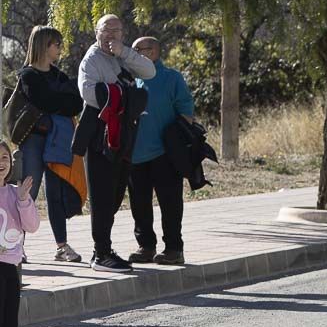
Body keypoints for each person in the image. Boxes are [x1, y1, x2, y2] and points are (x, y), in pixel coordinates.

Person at [75, 14, 155, 271]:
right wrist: (126, 95)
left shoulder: (122, 54)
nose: (110, 35)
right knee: (101, 196)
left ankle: (105, 248)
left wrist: (125, 53)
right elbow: (89, 93)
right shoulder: (91, 60)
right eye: (105, 30)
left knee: (116, 194)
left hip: (123, 134)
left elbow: (149, 70)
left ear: (123, 33)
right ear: (96, 32)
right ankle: (101, 254)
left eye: (116, 30)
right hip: (100, 134)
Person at [11, 26, 85, 262]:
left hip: (57, 142)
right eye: (56, 44)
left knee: (56, 193)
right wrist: (60, 100)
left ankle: (61, 246)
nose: (60, 48)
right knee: (27, 194)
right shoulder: (27, 75)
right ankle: (15, 245)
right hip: (33, 140)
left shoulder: (59, 75)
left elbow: (76, 104)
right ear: (44, 45)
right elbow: (45, 100)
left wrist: (58, 102)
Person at [127, 37, 195, 265]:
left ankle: (174, 248)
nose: (135, 53)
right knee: (139, 204)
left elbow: (186, 111)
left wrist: (176, 140)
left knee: (170, 203)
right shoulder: (130, 79)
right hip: (136, 154)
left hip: (165, 154)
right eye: (133, 50)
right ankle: (146, 246)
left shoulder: (171, 77)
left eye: (140, 50)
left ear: (154, 51)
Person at [0, 143, 38, 327]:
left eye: (4, 157)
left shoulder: (15, 192)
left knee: (9, 324)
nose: (1, 162)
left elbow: (32, 226)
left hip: (10, 266)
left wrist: (24, 200)